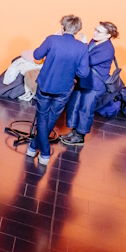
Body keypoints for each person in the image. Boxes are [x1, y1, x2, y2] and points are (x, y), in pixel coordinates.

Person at [24, 16, 91, 165]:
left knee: (42, 117)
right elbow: (83, 73)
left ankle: (43, 152)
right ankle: (33, 147)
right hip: (64, 89)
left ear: (62, 27)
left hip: (46, 85)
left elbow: (36, 55)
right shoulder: (82, 48)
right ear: (77, 30)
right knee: (52, 118)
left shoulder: (52, 39)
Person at [62, 22, 119, 146]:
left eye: (99, 31)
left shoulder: (107, 50)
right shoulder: (94, 41)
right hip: (84, 80)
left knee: (85, 110)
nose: (95, 33)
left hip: (95, 85)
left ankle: (80, 136)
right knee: (74, 105)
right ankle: (73, 131)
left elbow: (86, 60)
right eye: (95, 29)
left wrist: (82, 44)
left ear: (108, 35)